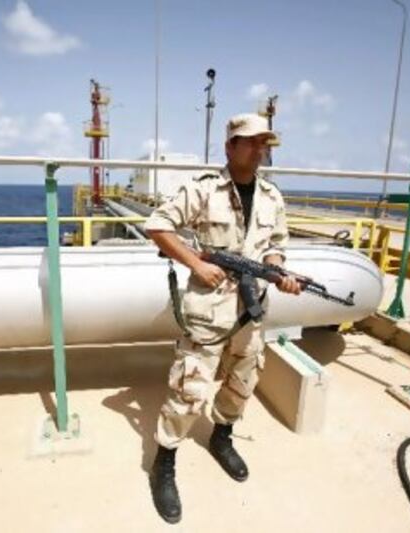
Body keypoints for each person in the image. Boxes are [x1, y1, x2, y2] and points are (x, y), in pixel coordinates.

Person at [143, 113, 301, 523]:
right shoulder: (204, 190)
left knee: (244, 378)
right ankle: (164, 462)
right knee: (190, 387)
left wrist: (278, 271)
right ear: (230, 146)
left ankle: (222, 437)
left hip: (252, 309)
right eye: (250, 142)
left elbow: (277, 245)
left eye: (263, 142)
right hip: (210, 308)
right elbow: (157, 226)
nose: (258, 149)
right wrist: (196, 263)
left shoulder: (272, 196)